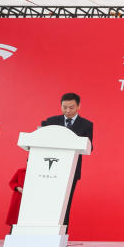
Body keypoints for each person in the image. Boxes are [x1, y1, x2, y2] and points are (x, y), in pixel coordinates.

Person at [40, 92, 94, 232]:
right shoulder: (50, 122)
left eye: (71, 107)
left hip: (70, 171)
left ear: (78, 106)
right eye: (64, 107)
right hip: (48, 169)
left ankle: (60, 237)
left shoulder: (86, 124)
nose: (67, 111)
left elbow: (89, 147)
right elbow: (39, 139)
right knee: (45, 202)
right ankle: (42, 233)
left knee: (64, 204)